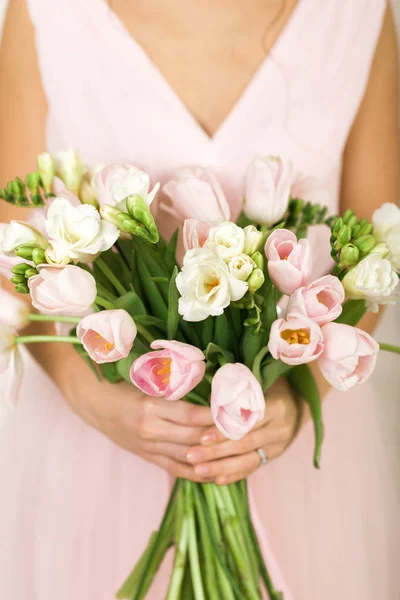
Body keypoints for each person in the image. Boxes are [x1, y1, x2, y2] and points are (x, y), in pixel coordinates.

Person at [0, 0, 399, 598]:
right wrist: (94, 398)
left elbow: (378, 251)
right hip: (98, 445)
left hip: (296, 455)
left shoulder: (359, 13)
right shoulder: (47, 11)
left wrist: (297, 399)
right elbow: (16, 253)